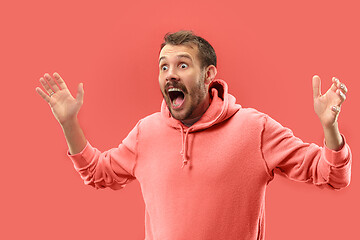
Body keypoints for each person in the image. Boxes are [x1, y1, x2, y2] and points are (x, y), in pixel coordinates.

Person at [36, 30, 352, 240]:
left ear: (209, 74)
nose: (170, 73)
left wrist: (329, 127)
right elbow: (98, 173)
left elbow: (334, 175)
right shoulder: (147, 133)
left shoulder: (254, 129)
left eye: (183, 65)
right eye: (163, 67)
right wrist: (68, 123)